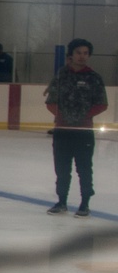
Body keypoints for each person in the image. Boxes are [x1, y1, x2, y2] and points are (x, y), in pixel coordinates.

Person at [45, 38, 108, 217]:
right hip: (62, 131)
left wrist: (83, 116)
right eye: (79, 53)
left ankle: (85, 203)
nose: (82, 56)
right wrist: (61, 116)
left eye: (85, 53)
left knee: (84, 168)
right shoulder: (62, 75)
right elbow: (51, 101)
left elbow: (102, 104)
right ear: (71, 55)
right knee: (62, 168)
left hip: (83, 132)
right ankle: (61, 201)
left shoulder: (94, 77)